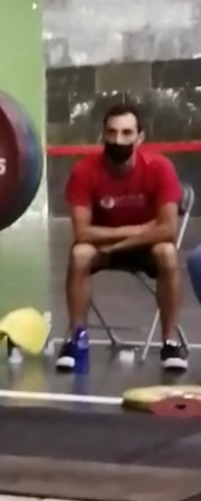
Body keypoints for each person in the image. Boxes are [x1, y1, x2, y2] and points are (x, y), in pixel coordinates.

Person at [57, 101, 187, 373]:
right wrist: (137, 230)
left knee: (168, 253)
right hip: (102, 248)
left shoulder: (160, 167)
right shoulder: (84, 171)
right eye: (112, 132)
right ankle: (76, 339)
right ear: (103, 135)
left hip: (145, 248)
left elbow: (167, 229)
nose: (118, 140)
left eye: (127, 133)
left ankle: (170, 343)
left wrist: (126, 242)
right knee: (79, 254)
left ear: (140, 137)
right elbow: (82, 232)